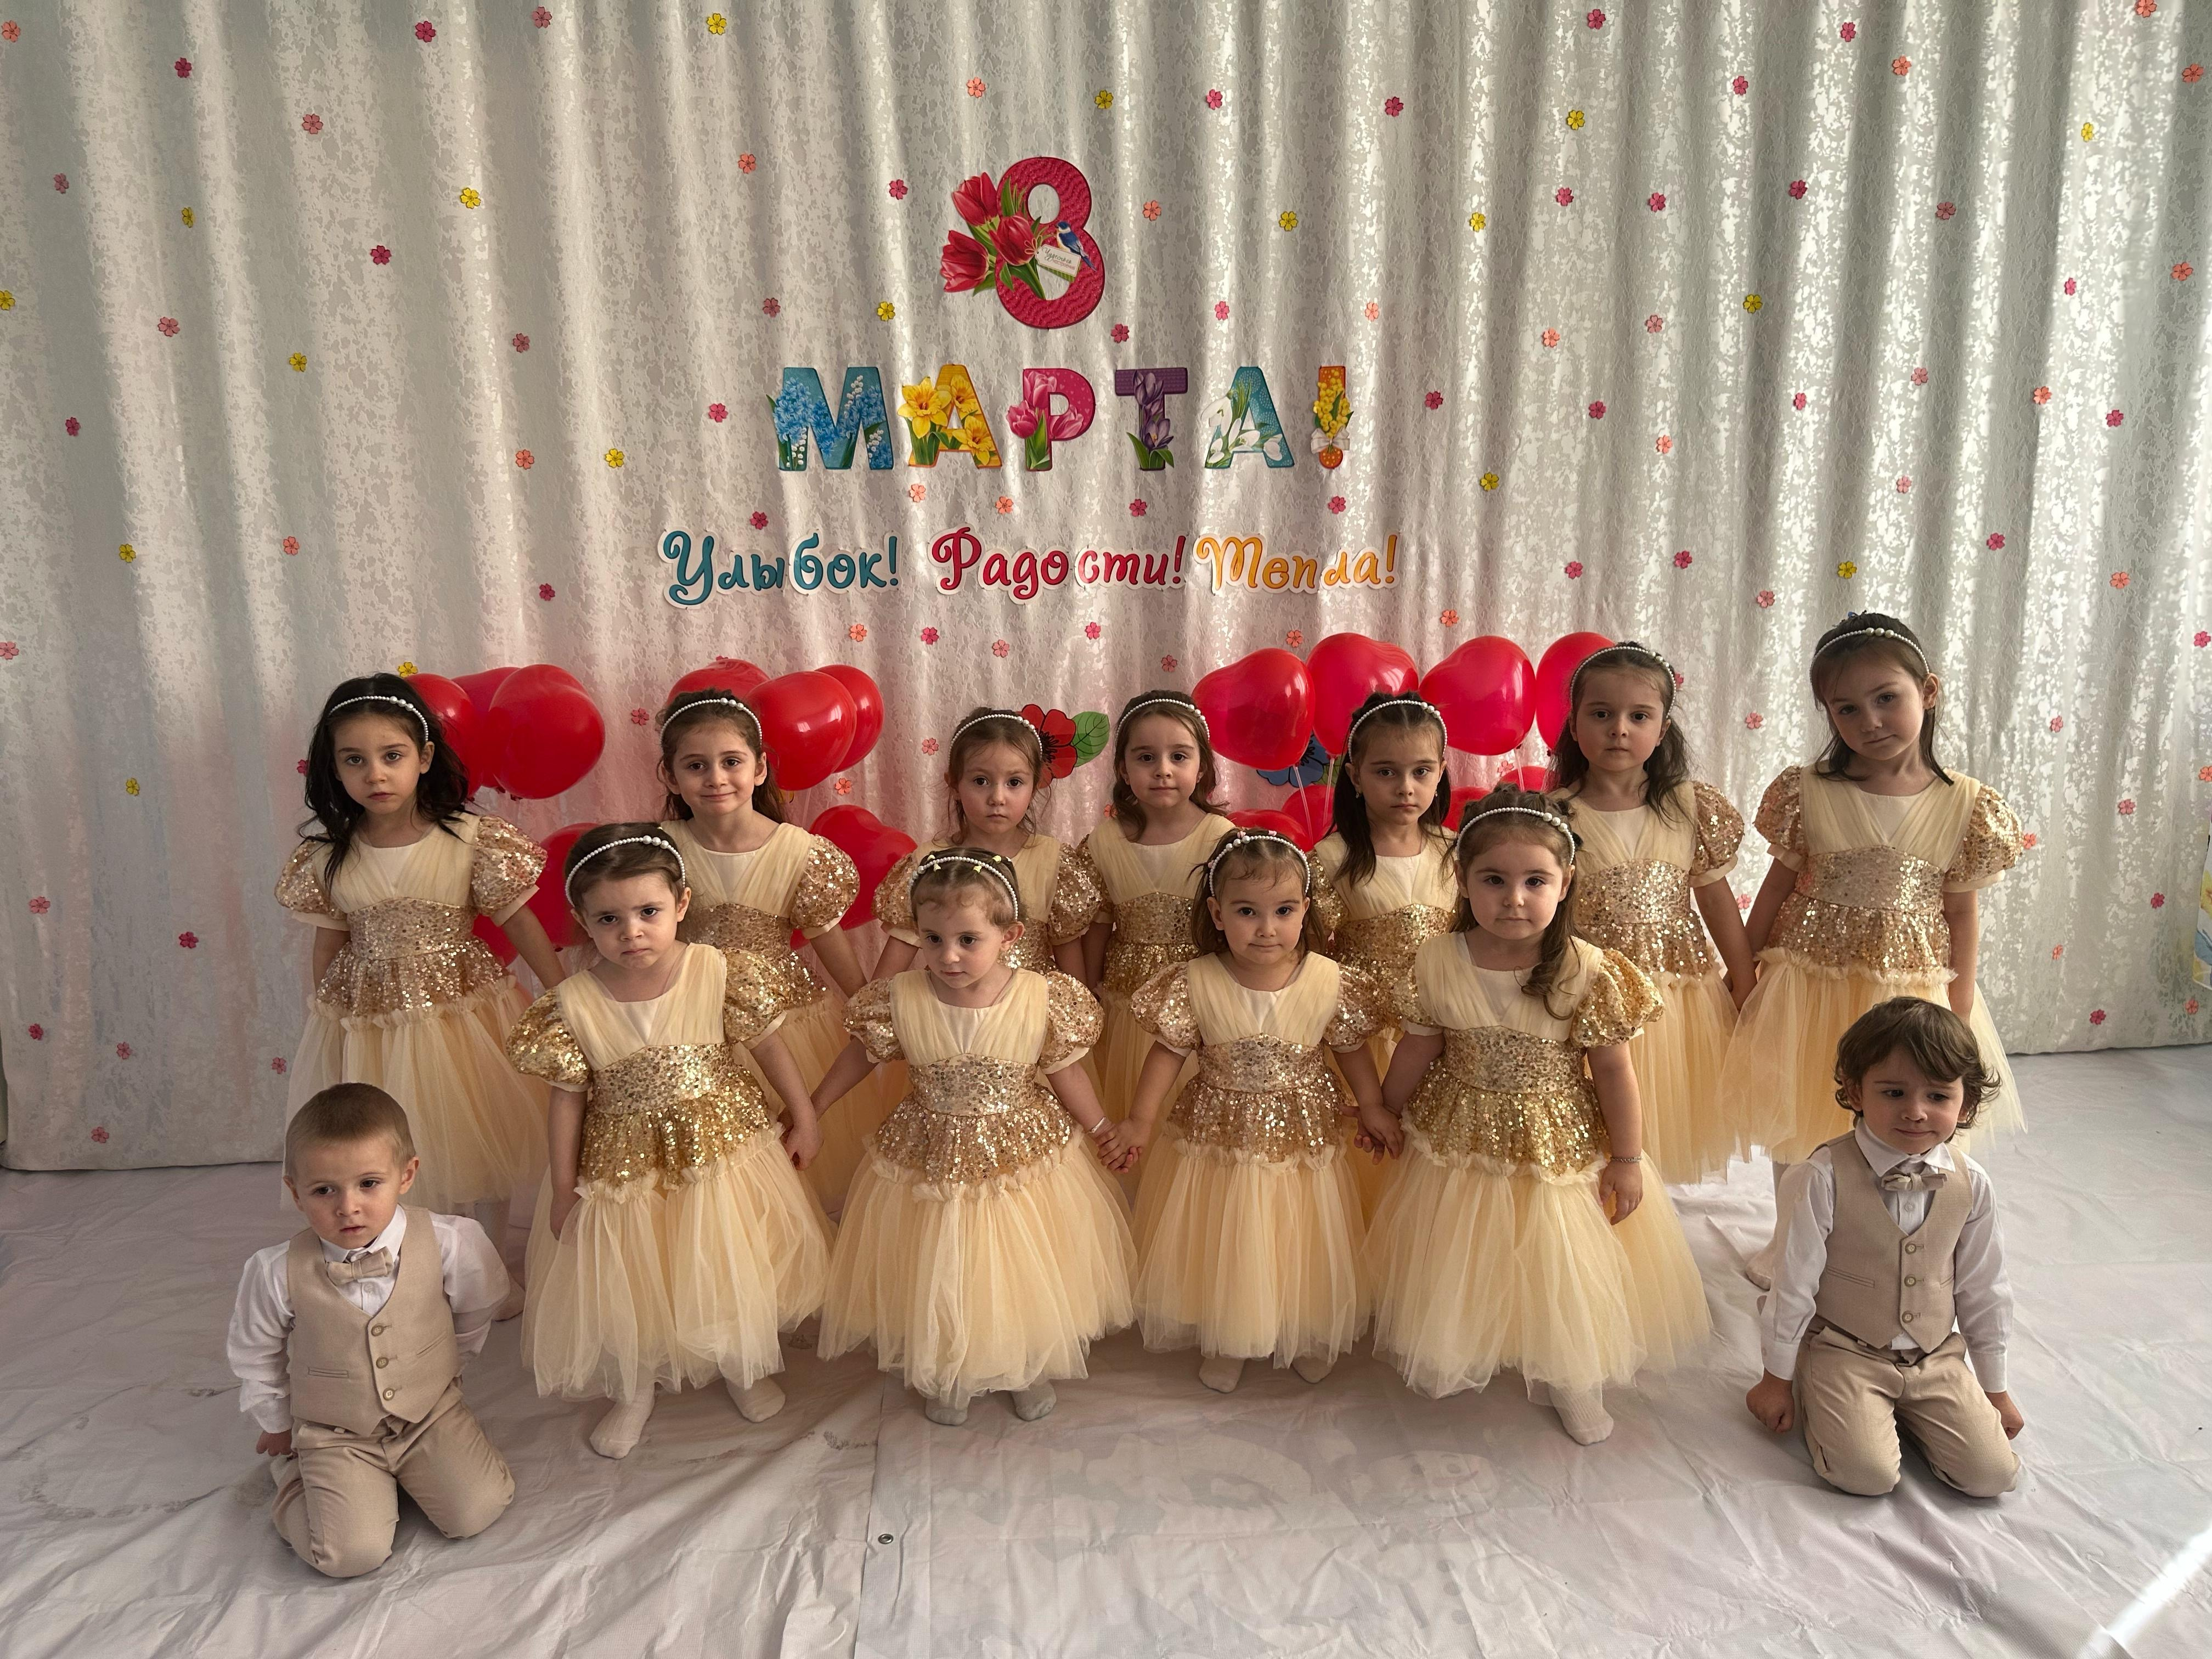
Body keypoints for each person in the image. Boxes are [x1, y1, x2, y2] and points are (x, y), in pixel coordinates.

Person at [1365, 787, 1711, 1443]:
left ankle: (1570, 1371)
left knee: (1560, 1255)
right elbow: (1417, 1047)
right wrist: (1385, 1108)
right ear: (1462, 879)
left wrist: (1627, 1158)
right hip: (1458, 1133)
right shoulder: (1437, 961)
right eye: (1494, 880)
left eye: (1535, 881)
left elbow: (1615, 1072)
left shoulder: (1588, 969)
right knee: (1464, 1244)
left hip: (1556, 1138)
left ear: (1566, 882)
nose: (1514, 899)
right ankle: (1469, 1339)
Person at [504, 825, 833, 1458]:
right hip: (623, 1168)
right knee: (634, 1274)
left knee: (726, 1257)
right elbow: (567, 1100)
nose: (631, 932)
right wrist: (564, 1187)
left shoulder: (719, 971)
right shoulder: (571, 1005)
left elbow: (770, 1047)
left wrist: (805, 1115)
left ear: (681, 904)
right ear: (583, 922)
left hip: (722, 1154)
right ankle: (636, 1385)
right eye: (609, 919)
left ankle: (740, 1363)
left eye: (648, 912)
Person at [1720, 614, 2024, 1286]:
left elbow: (1961, 912)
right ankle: (1792, 1243)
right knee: (1800, 1116)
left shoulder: (1965, 805)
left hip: (1908, 987)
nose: (1870, 721)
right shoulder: (1809, 791)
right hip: (1808, 981)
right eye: (1847, 708)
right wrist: (1745, 971)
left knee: (1896, 1119)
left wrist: (1959, 1004)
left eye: (1887, 698)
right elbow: (1774, 890)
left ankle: (1877, 1252)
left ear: (1928, 692)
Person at [814, 848, 1133, 1426]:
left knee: (1022, 1262)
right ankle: (951, 1366)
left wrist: (1102, 1129)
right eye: (933, 939)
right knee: (942, 1265)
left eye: (968, 940)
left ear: (1009, 936)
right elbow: (860, 1057)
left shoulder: (1042, 996)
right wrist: (813, 1109)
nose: (948, 955)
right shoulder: (899, 997)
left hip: (1021, 1157)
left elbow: (1067, 1073)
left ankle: (1027, 1362)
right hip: (931, 1153)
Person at [276, 673, 562, 1307]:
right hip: (374, 1022)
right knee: (391, 1143)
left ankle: (490, 1272)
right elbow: (328, 944)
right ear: (334, 769)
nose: (375, 774)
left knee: (480, 1140)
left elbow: (521, 922)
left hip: (462, 1016)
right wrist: (325, 1018)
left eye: (392, 755)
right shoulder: (330, 855)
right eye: (354, 760)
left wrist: (562, 994)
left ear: (424, 757)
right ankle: (419, 1267)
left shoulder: (468, 840)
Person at [1105, 828, 1397, 1392]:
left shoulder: (1329, 981)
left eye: (1283, 911)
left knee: (1300, 1231)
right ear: (1218, 914)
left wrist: (1372, 1105)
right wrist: (1140, 1119)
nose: (1267, 928)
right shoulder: (1194, 981)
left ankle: (1306, 1329)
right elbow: (1166, 1056)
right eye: (1247, 912)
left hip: (1303, 1138)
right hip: (1218, 1137)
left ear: (1305, 910)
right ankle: (1229, 1334)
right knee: (1229, 1232)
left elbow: (1352, 1051)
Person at [226, 1084, 513, 1577]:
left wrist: (452, 1362)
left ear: (407, 1175)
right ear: (296, 1192)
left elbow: (479, 1303)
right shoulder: (275, 1270)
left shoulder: (450, 1241)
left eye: (369, 1183)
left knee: (478, 1509)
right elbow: (255, 1350)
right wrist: (275, 1420)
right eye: (324, 1190)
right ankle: (299, 1479)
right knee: (349, 1556)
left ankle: (402, 1476)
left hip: (429, 1413)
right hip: (335, 1430)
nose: (348, 1207)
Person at [1745, 997, 2022, 1498]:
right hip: (1844, 1349)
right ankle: (1816, 1377)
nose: (1915, 1111)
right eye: (1893, 1092)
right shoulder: (1821, 1176)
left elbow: (1985, 1288)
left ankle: (1916, 1415)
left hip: (1934, 1355)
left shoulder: (1972, 1184)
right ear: (1855, 1092)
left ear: (1966, 1105)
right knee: (1866, 1475)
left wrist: (1995, 1389)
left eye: (1938, 1096)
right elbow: (1794, 1283)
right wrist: (1776, 1379)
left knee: (1992, 1475)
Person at [653, 687, 871, 1207]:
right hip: (691, 1026)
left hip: (788, 1027)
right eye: (696, 766)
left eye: (731, 762)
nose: (716, 778)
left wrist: (872, 1011)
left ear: (760, 768)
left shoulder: (801, 854)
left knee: (794, 1176)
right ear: (672, 777)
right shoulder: (659, 849)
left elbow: (830, 942)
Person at [1549, 642, 1755, 1182]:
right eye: (1601, 714)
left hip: (1679, 993)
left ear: (1662, 730)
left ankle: (1648, 1203)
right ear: (1574, 726)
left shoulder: (1689, 807)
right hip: (1596, 993)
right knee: (1600, 1113)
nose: (1619, 729)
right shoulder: (1556, 815)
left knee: (1667, 1110)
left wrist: (1744, 977)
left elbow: (1715, 899)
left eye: (1638, 717)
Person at [1307, 691, 1460, 1215]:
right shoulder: (1331, 859)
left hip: (1439, 1031)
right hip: (1365, 1036)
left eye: (1421, 771)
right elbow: (1308, 957)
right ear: (1355, 776)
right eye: (1386, 772)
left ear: (1442, 772)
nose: (1406, 787)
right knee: (1370, 1158)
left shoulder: (1456, 851)